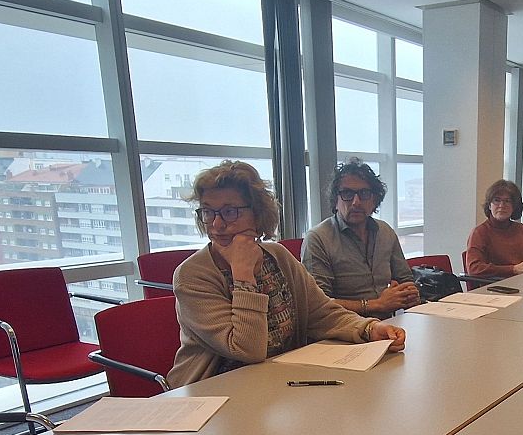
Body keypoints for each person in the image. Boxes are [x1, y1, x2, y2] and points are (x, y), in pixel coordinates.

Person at [171, 161, 405, 387]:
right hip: (215, 392)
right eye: (208, 212)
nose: (217, 224)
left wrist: (369, 328)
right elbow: (247, 350)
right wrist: (243, 276)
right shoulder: (191, 275)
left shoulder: (277, 256)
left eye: (230, 212)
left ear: (257, 212)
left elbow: (322, 313)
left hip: (281, 382)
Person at [302, 159, 419, 318]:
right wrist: (376, 304)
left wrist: (409, 293)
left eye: (364, 194)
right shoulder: (318, 238)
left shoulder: (385, 231)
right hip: (343, 332)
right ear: (335, 200)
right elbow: (318, 304)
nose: (356, 202)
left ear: (374, 200)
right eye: (347, 194)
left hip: (387, 326)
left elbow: (405, 279)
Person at [465, 180, 523, 278]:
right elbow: (474, 268)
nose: (502, 205)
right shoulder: (480, 233)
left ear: (514, 207)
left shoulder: (522, 230)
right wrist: (513, 269)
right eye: (497, 200)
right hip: (497, 288)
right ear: (489, 205)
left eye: (507, 201)